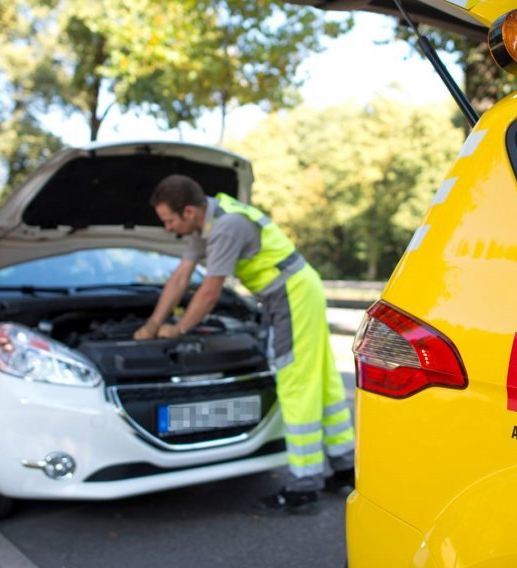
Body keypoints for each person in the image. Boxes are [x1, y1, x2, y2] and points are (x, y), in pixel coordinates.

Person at [134, 174, 355, 513]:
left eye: (168, 221)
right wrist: (152, 324)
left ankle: (303, 488)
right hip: (296, 291)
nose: (166, 228)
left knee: (296, 384)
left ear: (189, 211)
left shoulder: (226, 227)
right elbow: (180, 277)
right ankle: (346, 469)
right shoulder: (201, 226)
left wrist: (177, 330)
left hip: (291, 295)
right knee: (322, 380)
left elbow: (209, 292)